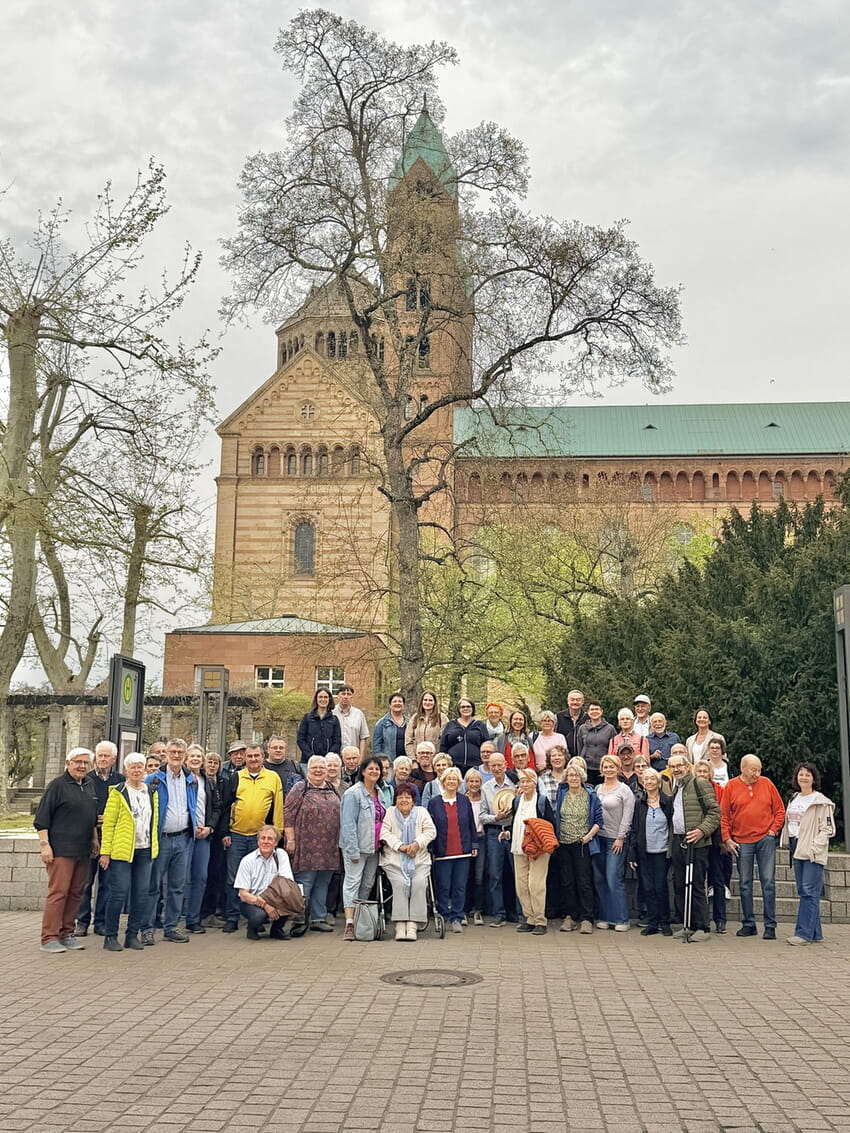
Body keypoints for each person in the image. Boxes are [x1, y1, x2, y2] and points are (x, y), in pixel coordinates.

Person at [34, 748, 99, 953]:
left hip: (83, 850)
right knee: (59, 893)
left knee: (76, 893)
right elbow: (42, 819)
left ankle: (67, 933)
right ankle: (49, 937)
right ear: (67, 762)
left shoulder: (88, 784)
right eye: (77, 762)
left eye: (85, 763)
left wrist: (95, 839)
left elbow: (91, 816)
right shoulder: (57, 786)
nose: (81, 766)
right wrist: (45, 845)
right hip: (61, 850)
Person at [220, 743, 284, 934]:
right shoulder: (236, 777)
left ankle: (258, 917)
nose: (253, 759)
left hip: (261, 838)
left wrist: (277, 834)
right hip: (237, 835)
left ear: (263, 757)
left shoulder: (273, 778)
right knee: (234, 878)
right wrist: (225, 832)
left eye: (257, 756)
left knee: (263, 879)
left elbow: (278, 808)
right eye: (250, 756)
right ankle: (232, 917)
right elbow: (225, 806)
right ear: (245, 759)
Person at [99, 752, 159, 951]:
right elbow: (109, 824)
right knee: (119, 893)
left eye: (140, 767)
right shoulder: (117, 791)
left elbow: (154, 821)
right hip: (122, 851)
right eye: (132, 767)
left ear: (144, 770)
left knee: (141, 894)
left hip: (145, 849)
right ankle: (110, 936)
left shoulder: (151, 791)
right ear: (126, 770)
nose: (136, 770)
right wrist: (105, 852)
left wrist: (154, 847)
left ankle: (132, 935)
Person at [721, 754, 786, 940]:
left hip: (765, 838)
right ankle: (749, 924)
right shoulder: (731, 786)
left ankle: (770, 926)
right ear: (743, 768)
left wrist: (773, 830)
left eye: (759, 770)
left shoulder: (767, 783)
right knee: (745, 884)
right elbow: (724, 816)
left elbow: (779, 810)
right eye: (753, 770)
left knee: (768, 883)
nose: (757, 774)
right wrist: (727, 838)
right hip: (742, 841)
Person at [142, 739, 198, 946]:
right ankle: (147, 928)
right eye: (172, 751)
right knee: (153, 886)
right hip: (161, 839)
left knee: (177, 887)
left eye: (180, 752)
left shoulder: (190, 779)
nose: (176, 755)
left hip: (183, 839)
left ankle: (171, 927)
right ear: (166, 754)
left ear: (184, 755)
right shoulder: (153, 780)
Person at [666, 747, 721, 942]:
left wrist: (701, 831)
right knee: (681, 884)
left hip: (697, 843)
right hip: (680, 841)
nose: (676, 769)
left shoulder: (699, 784)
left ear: (687, 766)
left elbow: (715, 813)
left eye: (679, 765)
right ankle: (687, 925)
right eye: (672, 766)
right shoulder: (676, 787)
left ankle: (702, 927)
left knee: (696, 885)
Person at [284, 754, 342, 933]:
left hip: (329, 846)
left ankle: (318, 918)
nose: (318, 771)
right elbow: (288, 814)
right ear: (308, 770)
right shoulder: (300, 787)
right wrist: (291, 839)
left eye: (321, 768)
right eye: (314, 768)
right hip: (306, 845)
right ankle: (299, 919)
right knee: (305, 881)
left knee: (323, 882)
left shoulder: (332, 787)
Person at [781, 763, 835, 946]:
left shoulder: (821, 801)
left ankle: (803, 933)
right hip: (796, 846)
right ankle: (815, 932)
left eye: (807, 775)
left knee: (809, 891)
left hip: (812, 849)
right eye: (800, 774)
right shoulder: (794, 798)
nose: (803, 777)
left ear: (814, 778)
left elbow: (828, 828)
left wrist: (815, 846)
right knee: (803, 890)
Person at [74, 740, 124, 938]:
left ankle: (101, 922)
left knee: (107, 882)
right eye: (99, 755)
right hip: (88, 836)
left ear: (114, 758)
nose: (102, 759)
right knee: (85, 882)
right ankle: (82, 922)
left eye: (106, 756)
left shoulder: (120, 780)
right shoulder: (86, 779)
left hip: (110, 836)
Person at [379, 782, 437, 941]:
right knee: (400, 884)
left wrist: (416, 844)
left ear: (413, 800)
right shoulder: (390, 812)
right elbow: (384, 833)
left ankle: (412, 924)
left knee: (418, 883)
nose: (404, 800)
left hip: (419, 860)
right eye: (400, 797)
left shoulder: (421, 812)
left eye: (407, 797)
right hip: (394, 860)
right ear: (395, 800)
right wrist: (401, 846)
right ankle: (400, 924)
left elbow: (431, 831)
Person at [339, 755, 386, 941]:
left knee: (367, 884)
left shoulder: (379, 792)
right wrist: (352, 850)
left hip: (374, 848)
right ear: (363, 771)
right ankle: (349, 923)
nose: (374, 772)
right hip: (357, 848)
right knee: (352, 883)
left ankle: (360, 919)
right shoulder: (353, 794)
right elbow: (348, 824)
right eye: (371, 769)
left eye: (377, 769)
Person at [504, 769, 556, 935]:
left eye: (528, 781)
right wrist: (508, 833)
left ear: (535, 783)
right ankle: (530, 918)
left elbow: (550, 825)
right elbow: (515, 822)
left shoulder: (541, 801)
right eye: (522, 781)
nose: (525, 784)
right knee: (521, 885)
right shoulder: (517, 801)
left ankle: (541, 920)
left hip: (538, 849)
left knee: (535, 884)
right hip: (519, 847)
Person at [553, 763, 601, 934]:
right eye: (570, 775)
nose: (573, 778)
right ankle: (570, 916)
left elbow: (598, 820)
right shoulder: (561, 794)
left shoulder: (591, 795)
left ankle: (587, 918)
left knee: (584, 882)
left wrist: (588, 837)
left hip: (582, 844)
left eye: (576, 775)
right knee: (567, 882)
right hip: (564, 844)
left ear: (582, 777)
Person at [428, 767, 477, 933]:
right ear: (443, 781)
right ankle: (443, 915)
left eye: (454, 779)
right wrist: (432, 850)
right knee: (443, 885)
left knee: (460, 885)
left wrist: (474, 845)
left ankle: (457, 916)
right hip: (442, 851)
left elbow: (471, 824)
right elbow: (430, 827)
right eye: (448, 779)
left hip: (462, 850)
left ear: (458, 783)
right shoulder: (434, 802)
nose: (451, 782)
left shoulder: (464, 801)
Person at [628, 767, 673, 936]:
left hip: (662, 852)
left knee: (660, 887)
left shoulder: (668, 801)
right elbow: (634, 829)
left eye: (652, 779)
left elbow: (672, 825)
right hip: (643, 852)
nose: (649, 782)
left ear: (658, 782)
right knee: (647, 888)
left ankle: (665, 922)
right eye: (646, 780)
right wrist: (632, 853)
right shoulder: (639, 803)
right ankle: (653, 923)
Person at [593, 754, 635, 931]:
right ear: (601, 769)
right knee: (599, 879)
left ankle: (621, 919)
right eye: (605, 767)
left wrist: (620, 837)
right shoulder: (597, 788)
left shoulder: (624, 790)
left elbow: (627, 816)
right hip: (597, 839)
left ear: (618, 769)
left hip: (615, 840)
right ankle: (604, 916)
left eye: (612, 767)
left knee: (613, 878)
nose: (608, 770)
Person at [182, 745, 221, 934]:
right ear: (186, 759)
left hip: (203, 835)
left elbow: (216, 808)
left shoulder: (208, 781)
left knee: (200, 877)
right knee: (180, 878)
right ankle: (172, 918)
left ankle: (193, 918)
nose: (196, 759)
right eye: (192, 756)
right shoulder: (180, 779)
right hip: (184, 834)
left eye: (199, 756)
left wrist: (209, 827)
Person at [234, 825, 295, 940]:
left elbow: (287, 883)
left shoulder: (281, 855)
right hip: (252, 901)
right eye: (263, 838)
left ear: (276, 843)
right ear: (258, 841)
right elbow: (243, 895)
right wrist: (265, 905)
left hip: (275, 898)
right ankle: (252, 929)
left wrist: (274, 902)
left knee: (293, 899)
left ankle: (277, 930)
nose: (266, 842)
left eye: (270, 839)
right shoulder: (247, 861)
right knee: (259, 916)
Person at [479, 752, 517, 927]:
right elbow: (482, 816)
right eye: (492, 765)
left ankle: (519, 913)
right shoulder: (486, 787)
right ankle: (498, 913)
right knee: (495, 874)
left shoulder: (515, 785)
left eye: (499, 765)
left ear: (505, 764)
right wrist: (496, 817)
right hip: (494, 833)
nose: (496, 768)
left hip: (513, 831)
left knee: (517, 873)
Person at [694, 759, 730, 932]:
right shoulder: (690, 789)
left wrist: (724, 839)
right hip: (697, 840)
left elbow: (722, 815)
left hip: (715, 839)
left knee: (717, 880)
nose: (702, 774)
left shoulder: (719, 790)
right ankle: (699, 920)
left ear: (710, 774)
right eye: (699, 771)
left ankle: (720, 920)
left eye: (704, 771)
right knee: (698, 881)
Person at [463, 767, 487, 924]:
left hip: (481, 838)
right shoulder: (462, 799)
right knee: (464, 875)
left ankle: (477, 910)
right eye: (471, 781)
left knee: (479, 875)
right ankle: (464, 910)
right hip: (464, 840)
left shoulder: (484, 798)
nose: (474, 784)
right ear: (466, 783)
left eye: (477, 781)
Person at [440, 698, 487, 775]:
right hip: (453, 766)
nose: (466, 708)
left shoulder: (479, 725)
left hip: (475, 766)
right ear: (459, 709)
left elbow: (486, 744)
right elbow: (443, 745)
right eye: (463, 707)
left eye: (468, 706)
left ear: (472, 708)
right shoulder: (451, 724)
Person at [577, 702, 617, 784]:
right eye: (592, 709)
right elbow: (579, 747)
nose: (594, 711)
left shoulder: (610, 729)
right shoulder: (582, 728)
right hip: (587, 767)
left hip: (603, 769)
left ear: (601, 711)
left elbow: (614, 749)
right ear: (587, 712)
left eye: (597, 709)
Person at [298, 689, 343, 760]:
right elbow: (300, 740)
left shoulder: (334, 720)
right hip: (308, 761)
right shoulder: (307, 718)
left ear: (329, 699)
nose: (323, 699)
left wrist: (329, 756)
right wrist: (310, 755)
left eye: (325, 697)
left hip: (328, 762)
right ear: (316, 699)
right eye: (320, 697)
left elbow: (337, 742)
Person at [405, 691, 448, 758]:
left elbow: (445, 741)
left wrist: (438, 758)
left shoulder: (442, 718)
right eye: (425, 700)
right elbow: (408, 741)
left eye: (430, 700)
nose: (427, 702)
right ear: (421, 702)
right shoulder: (415, 718)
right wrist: (413, 759)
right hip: (418, 760)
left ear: (434, 703)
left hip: (435, 760)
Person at [333, 684, 370, 756]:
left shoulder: (359, 714)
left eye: (349, 694)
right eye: (343, 694)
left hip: (353, 758)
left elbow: (363, 738)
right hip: (334, 758)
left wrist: (361, 757)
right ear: (338, 696)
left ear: (352, 697)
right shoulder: (331, 713)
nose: (346, 697)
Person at [372, 692, 409, 759]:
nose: (397, 703)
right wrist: (379, 762)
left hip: (406, 762)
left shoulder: (409, 722)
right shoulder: (382, 723)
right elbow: (376, 746)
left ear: (404, 705)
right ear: (390, 705)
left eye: (400, 701)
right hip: (388, 763)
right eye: (394, 701)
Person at [555, 690, 588, 759]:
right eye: (572, 700)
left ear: (582, 702)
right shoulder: (558, 717)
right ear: (568, 701)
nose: (575, 702)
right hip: (563, 759)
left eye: (578, 700)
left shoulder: (588, 718)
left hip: (584, 759)